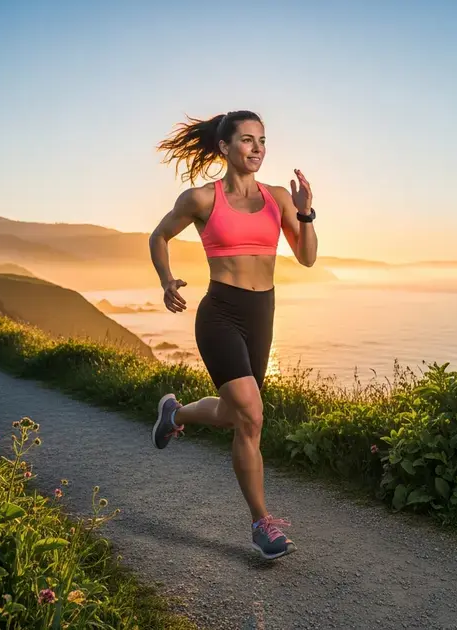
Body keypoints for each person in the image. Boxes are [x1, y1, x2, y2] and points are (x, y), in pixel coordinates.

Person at [147, 110, 318, 560]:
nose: (258, 148)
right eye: (247, 140)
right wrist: (167, 280)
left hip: (263, 313)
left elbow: (307, 258)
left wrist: (304, 212)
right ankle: (263, 525)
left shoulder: (278, 197)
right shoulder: (202, 199)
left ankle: (176, 415)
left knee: (234, 414)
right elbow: (159, 236)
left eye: (262, 140)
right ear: (225, 147)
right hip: (220, 312)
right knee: (253, 417)